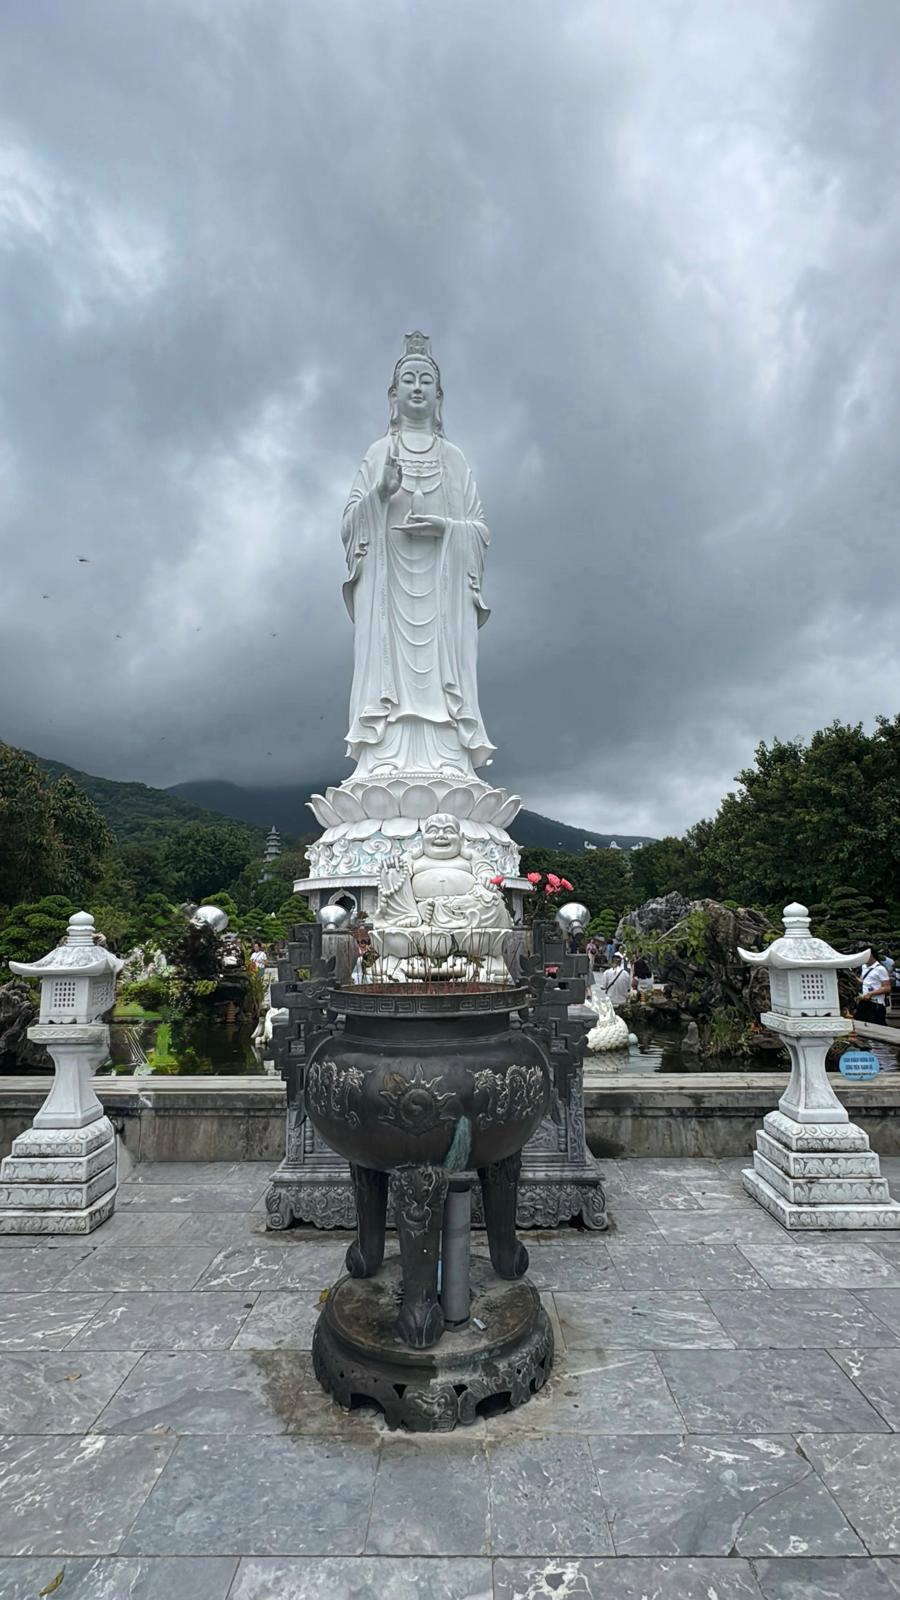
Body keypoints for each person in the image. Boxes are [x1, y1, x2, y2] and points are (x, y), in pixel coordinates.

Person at [855, 951, 892, 1027]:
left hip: (876, 1003)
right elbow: (864, 981)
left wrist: (871, 994)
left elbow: (887, 988)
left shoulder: (880, 969)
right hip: (864, 1000)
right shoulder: (864, 967)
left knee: (877, 1026)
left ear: (871, 956)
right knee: (860, 1024)